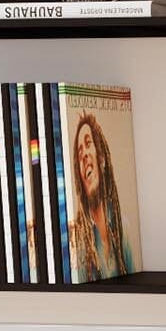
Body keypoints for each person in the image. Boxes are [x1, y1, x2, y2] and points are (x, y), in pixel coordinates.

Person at [68, 110, 134, 280]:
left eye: (88, 144)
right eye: (79, 152)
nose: (84, 155)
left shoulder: (122, 228)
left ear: (102, 158)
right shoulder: (78, 241)